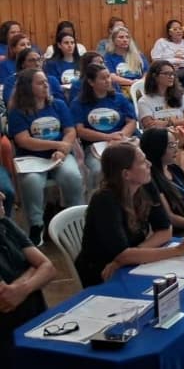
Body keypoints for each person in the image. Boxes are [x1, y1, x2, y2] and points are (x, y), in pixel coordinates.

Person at [75, 143, 184, 287]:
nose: (149, 164)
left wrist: (134, 254)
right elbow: (122, 253)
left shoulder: (146, 185)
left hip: (128, 264)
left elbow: (165, 230)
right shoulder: (104, 200)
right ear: (126, 174)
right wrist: (177, 250)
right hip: (104, 272)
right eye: (142, 162)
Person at [8, 69, 85, 245]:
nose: (46, 85)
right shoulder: (18, 112)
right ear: (28, 87)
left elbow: (70, 131)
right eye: (40, 82)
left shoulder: (58, 105)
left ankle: (76, 218)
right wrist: (57, 145)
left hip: (59, 156)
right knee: (32, 183)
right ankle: (37, 225)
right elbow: (24, 140)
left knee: (72, 176)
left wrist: (63, 151)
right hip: (31, 159)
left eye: (46, 82)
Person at [0, 200, 55, 365]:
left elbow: (49, 268)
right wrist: (32, 270)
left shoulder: (6, 224)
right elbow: (5, 299)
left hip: (39, 322)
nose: (2, 196)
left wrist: (23, 288)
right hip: (8, 338)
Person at [72, 64, 138, 183]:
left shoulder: (119, 98)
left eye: (108, 77)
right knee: (98, 170)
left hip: (121, 142)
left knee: (137, 165)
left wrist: (120, 137)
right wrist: (107, 137)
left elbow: (132, 121)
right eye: (103, 78)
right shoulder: (79, 103)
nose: (108, 81)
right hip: (94, 146)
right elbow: (80, 131)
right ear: (91, 82)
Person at [140, 129, 184, 233]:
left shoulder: (174, 168)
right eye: (171, 146)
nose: (176, 149)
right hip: (179, 232)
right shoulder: (151, 179)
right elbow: (170, 217)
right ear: (157, 148)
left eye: (175, 144)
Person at [151, 19, 184, 114]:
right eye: (175, 29)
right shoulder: (161, 42)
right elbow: (156, 61)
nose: (179, 31)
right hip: (168, 71)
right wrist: (169, 67)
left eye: (180, 28)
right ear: (169, 32)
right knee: (171, 77)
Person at [137, 60, 184, 130]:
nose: (171, 77)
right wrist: (181, 122)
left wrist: (169, 123)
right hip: (160, 137)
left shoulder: (181, 95)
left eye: (172, 74)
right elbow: (150, 126)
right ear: (154, 76)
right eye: (166, 73)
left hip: (182, 134)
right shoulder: (144, 101)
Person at [43, 21, 80, 86]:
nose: (70, 45)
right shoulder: (52, 64)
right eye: (66, 43)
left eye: (72, 42)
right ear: (59, 45)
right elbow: (53, 85)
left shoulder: (81, 62)